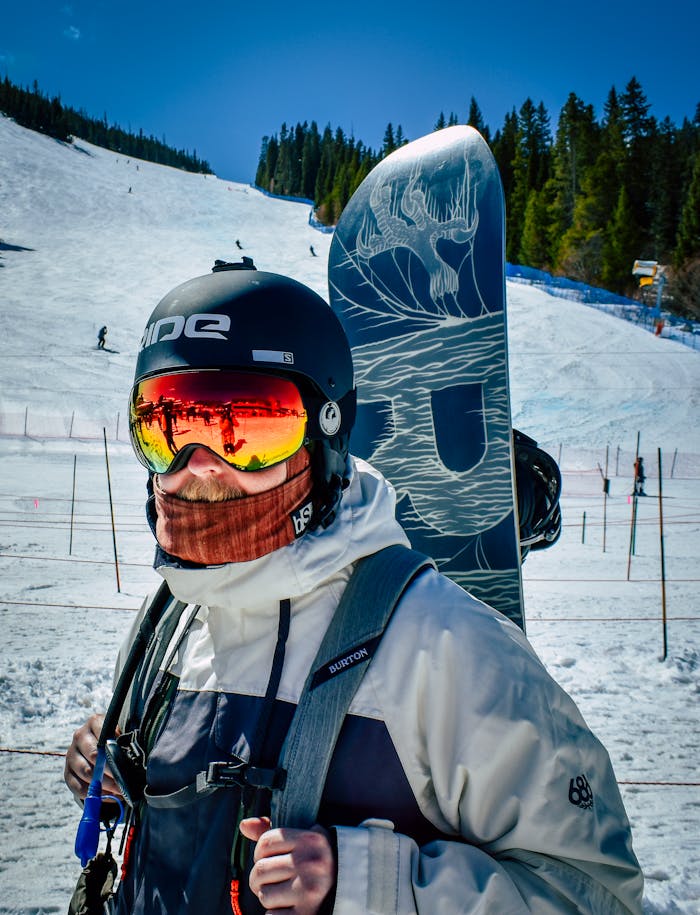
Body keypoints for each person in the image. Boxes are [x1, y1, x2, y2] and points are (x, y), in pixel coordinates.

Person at [65, 263, 643, 914]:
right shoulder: (167, 619)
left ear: (326, 433)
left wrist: (372, 882)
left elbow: (593, 892)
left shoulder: (443, 644)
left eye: (248, 430)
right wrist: (115, 765)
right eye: (168, 425)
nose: (199, 467)